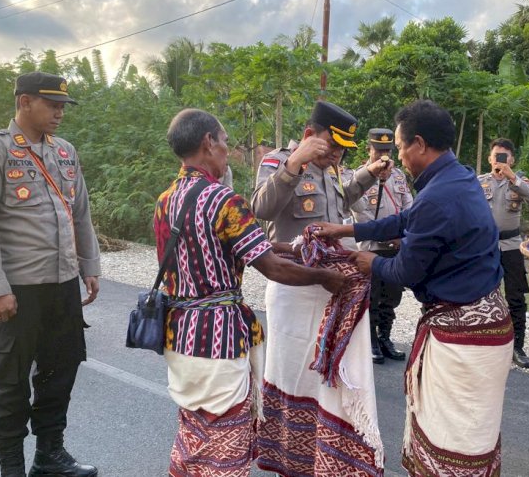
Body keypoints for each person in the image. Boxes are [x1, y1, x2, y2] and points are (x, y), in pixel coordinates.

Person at [317, 99, 514, 477]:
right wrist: (347, 230)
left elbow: (405, 271)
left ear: (420, 144)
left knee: (451, 439)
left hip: (461, 336)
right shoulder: (458, 177)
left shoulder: (438, 195)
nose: (400, 157)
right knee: (474, 434)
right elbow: (408, 219)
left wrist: (370, 261)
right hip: (487, 321)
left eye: (402, 146)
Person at [153, 109, 346, 477]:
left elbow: (252, 247)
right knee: (225, 439)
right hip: (218, 341)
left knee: (194, 431)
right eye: (225, 142)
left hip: (179, 336)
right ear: (208, 143)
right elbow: (272, 268)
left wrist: (298, 246)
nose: (227, 150)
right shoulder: (225, 201)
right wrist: (326, 277)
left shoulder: (166, 200)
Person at [0, 72, 100, 477]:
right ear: (24, 102)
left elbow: (80, 213)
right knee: (11, 384)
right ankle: (11, 468)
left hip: (61, 286)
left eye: (63, 106)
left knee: (61, 371)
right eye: (51, 104)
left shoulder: (65, 152)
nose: (60, 112)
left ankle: (49, 455)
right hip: (17, 290)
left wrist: (89, 266)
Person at [251, 100, 391, 476]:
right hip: (294, 288)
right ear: (311, 135)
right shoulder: (278, 161)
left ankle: (325, 456)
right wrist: (294, 163)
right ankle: (288, 457)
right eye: (333, 146)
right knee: (292, 373)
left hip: (332, 287)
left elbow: (340, 204)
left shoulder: (332, 170)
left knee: (326, 380)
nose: (338, 154)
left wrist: (366, 174)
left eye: (344, 149)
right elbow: (261, 210)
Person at [350, 128, 413, 364]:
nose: (383, 156)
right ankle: (371, 342)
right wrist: (386, 235)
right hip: (372, 246)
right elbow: (361, 214)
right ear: (369, 150)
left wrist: (402, 235)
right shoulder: (361, 177)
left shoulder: (398, 176)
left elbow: (409, 205)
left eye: (387, 150)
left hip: (395, 245)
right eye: (379, 151)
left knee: (392, 296)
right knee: (372, 297)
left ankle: (385, 337)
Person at [478, 138, 529, 369]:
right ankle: (487, 342)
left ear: (512, 159)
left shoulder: (519, 182)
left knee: (515, 296)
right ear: (489, 158)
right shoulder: (479, 182)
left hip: (512, 245)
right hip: (485, 247)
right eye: (496, 156)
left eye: (505, 156)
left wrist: (513, 176)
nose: (500, 160)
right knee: (483, 295)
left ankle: (518, 347)